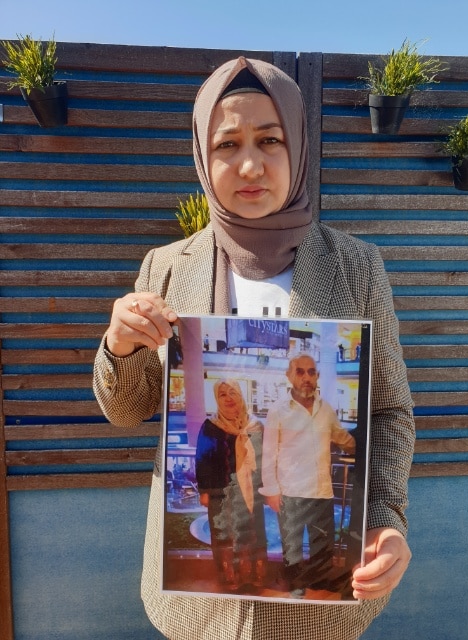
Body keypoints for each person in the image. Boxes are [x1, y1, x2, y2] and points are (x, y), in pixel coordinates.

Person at [93, 56, 415, 640]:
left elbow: (389, 412)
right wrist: (119, 347)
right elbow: (126, 409)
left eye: (270, 139)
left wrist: (388, 521)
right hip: (201, 610)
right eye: (226, 144)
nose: (249, 164)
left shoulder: (357, 267)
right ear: (200, 153)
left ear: (297, 146)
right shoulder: (165, 267)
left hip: (319, 599)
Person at [260, 354, 356, 598]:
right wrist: (271, 491)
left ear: (317, 376)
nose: (306, 377)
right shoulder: (278, 411)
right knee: (291, 545)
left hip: (321, 490)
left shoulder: (326, 410)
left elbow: (341, 438)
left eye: (311, 372)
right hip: (290, 492)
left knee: (322, 544)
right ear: (290, 376)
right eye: (300, 372)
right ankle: (295, 586)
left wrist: (360, 447)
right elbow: (268, 453)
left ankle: (319, 583)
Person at [195, 379, 267, 591]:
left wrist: (267, 488)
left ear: (241, 396)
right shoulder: (210, 427)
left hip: (251, 490)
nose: (229, 398)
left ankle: (253, 576)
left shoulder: (255, 426)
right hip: (220, 491)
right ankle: (229, 578)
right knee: (224, 535)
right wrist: (204, 491)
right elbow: (202, 459)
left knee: (252, 532)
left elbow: (265, 458)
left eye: (233, 393)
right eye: (223, 394)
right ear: (217, 399)